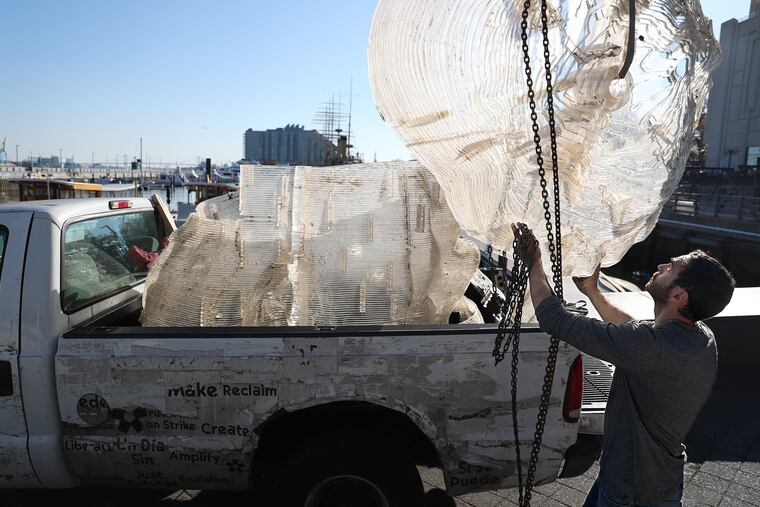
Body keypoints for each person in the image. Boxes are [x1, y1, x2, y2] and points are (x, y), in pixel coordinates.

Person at [510, 223, 735, 507]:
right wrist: (592, 291)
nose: (662, 265)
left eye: (671, 268)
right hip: (652, 483)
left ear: (679, 297)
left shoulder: (652, 348)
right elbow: (631, 329)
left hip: (630, 491)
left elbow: (555, 319)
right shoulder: (699, 337)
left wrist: (534, 262)